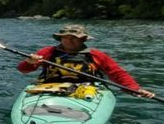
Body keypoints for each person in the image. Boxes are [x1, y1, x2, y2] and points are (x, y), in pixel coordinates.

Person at [18, 24, 155, 98]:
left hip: (86, 91)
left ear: (83, 39)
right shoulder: (48, 52)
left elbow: (117, 74)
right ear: (60, 38)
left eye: (74, 37)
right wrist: (30, 62)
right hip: (49, 88)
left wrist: (135, 89)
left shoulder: (96, 55)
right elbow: (23, 70)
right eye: (65, 37)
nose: (69, 40)